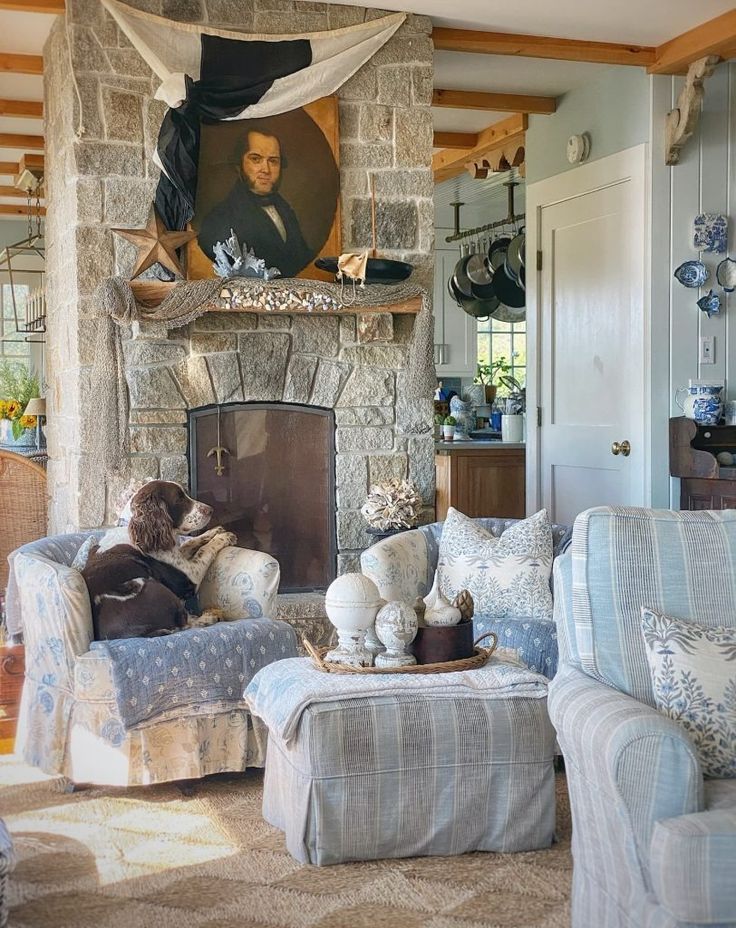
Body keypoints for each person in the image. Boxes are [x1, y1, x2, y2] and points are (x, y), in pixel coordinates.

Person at [197, 129, 313, 278]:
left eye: (273, 161)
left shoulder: (285, 210)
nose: (266, 169)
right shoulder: (219, 219)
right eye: (256, 159)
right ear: (239, 165)